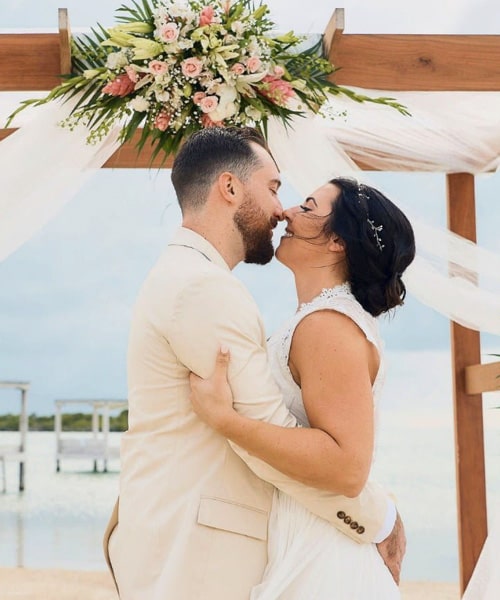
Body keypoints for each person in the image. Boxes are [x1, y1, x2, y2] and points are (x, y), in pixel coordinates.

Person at [103, 128, 405, 600]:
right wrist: (378, 517)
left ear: (339, 241)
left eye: (300, 202)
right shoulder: (202, 288)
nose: (282, 209)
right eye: (274, 188)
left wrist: (375, 512)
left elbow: (327, 453)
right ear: (229, 188)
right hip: (194, 546)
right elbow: (262, 425)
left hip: (227, 544)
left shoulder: (202, 283)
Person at [189, 176, 416, 598]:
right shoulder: (318, 319)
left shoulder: (327, 326)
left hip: (321, 554)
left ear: (339, 242)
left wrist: (223, 419)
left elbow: (347, 467)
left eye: (309, 208)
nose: (288, 212)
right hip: (300, 534)